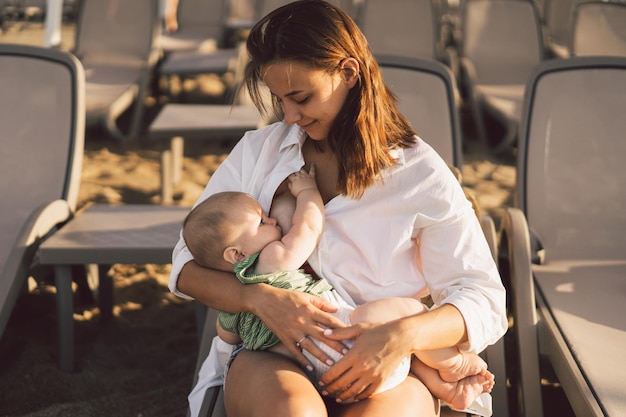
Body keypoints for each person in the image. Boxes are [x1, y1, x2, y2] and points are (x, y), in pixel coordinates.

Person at [168, 1, 507, 416]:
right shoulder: (259, 153)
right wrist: (257, 299)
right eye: (280, 101)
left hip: (387, 364)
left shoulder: (419, 174)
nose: (290, 117)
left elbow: (483, 298)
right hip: (273, 356)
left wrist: (399, 336)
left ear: (348, 72)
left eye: (301, 97)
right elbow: (185, 263)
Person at [181, 166, 494, 409]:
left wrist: (246, 309)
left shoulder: (233, 297)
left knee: (401, 341)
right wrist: (307, 193)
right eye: (262, 222)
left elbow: (227, 334)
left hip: (299, 364)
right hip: (338, 338)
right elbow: (308, 229)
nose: (273, 223)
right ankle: (453, 366)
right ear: (235, 254)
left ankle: (444, 387)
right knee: (408, 312)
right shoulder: (271, 258)